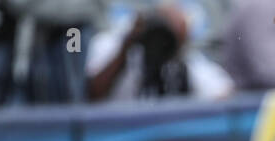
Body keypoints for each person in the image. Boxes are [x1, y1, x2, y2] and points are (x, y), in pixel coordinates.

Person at [85, 2, 233, 101]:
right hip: (119, 138)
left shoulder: (177, 52)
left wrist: (178, 42)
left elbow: (224, 93)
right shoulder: (115, 42)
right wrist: (126, 47)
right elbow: (92, 94)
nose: (158, 43)